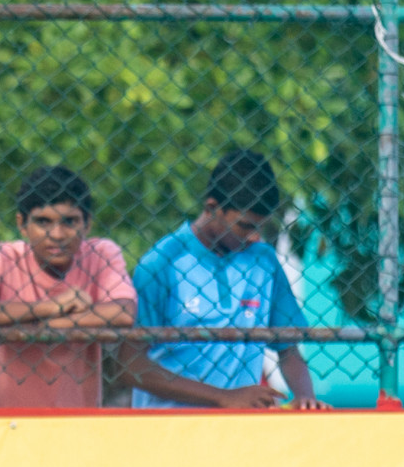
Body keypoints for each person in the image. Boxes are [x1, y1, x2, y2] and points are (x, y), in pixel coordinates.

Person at [124, 150, 327, 410]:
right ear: (212, 209)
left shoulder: (263, 261)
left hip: (238, 432)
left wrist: (306, 399)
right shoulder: (162, 263)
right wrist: (223, 397)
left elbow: (288, 349)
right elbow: (131, 366)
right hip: (169, 429)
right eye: (245, 226)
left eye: (260, 227)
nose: (255, 237)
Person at [0, 166, 135, 407]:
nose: (57, 234)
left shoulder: (101, 254)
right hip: (5, 420)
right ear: (22, 224)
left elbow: (122, 312)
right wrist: (50, 307)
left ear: (87, 224)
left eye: (70, 221)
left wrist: (37, 326)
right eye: (43, 221)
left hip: (77, 419)